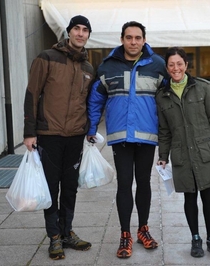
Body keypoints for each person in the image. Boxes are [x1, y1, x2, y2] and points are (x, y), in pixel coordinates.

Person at [86, 21, 168, 258]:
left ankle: (143, 229)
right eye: (129, 37)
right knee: (124, 184)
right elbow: (95, 100)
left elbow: (168, 98)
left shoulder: (157, 65)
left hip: (146, 136)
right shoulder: (107, 66)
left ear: (144, 39)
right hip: (120, 136)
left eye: (138, 37)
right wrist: (92, 127)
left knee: (144, 183)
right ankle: (125, 235)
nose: (133, 42)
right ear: (122, 39)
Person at [23, 15, 94, 260]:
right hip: (49, 135)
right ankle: (54, 236)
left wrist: (89, 129)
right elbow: (32, 93)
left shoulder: (88, 67)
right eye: (77, 28)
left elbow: (88, 102)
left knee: (71, 187)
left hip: (75, 136)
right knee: (51, 188)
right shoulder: (47, 57)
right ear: (69, 31)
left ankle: (67, 232)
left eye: (85, 30)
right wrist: (29, 132)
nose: (81, 33)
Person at [155, 47, 210, 259]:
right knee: (190, 198)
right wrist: (163, 155)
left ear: (186, 65)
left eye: (180, 63)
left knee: (208, 198)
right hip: (182, 156)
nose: (176, 68)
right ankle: (195, 238)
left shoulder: (204, 88)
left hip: (206, 151)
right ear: (167, 68)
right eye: (171, 64)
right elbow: (164, 130)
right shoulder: (162, 96)